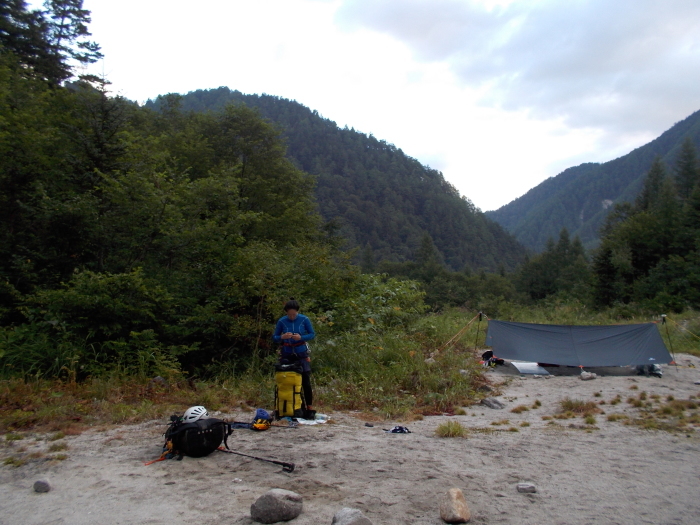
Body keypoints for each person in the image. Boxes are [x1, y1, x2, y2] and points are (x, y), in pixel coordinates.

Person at [273, 298, 316, 418]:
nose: (291, 316)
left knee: (305, 380)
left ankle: (309, 407)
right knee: (285, 379)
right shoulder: (282, 321)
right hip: (287, 352)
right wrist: (282, 337)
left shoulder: (304, 319)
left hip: (301, 352)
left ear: (297, 312)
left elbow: (312, 334)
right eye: (289, 314)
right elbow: (275, 337)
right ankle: (283, 406)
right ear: (286, 312)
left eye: (294, 314)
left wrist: (301, 337)